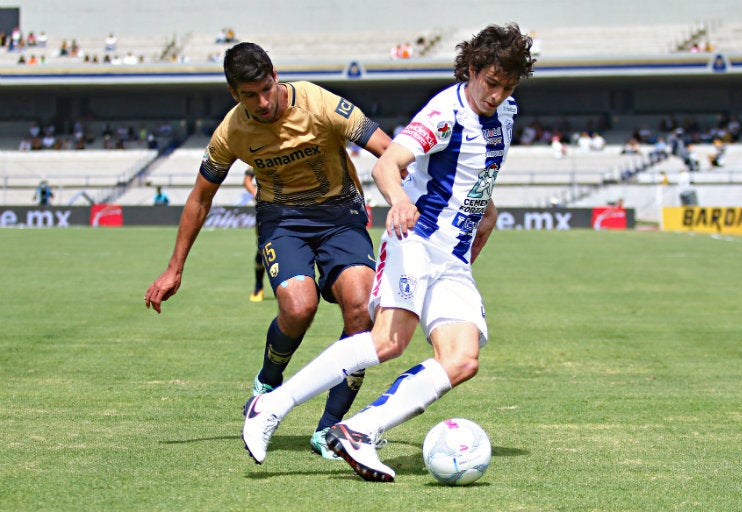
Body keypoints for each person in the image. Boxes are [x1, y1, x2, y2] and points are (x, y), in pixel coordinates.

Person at [241, 23, 535, 482]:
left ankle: (359, 431)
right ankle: (270, 406)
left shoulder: (507, 112)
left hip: (452, 257)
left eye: (507, 87)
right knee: (389, 342)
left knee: (462, 358)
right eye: (491, 83)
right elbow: (386, 164)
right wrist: (400, 199)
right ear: (472, 69)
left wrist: (485, 211)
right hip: (415, 238)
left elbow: (474, 173)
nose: (497, 95)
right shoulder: (445, 111)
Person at [144, 42, 392, 459]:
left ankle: (331, 429)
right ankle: (267, 383)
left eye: (266, 88)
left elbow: (387, 149)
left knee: (361, 310)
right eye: (249, 95)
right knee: (298, 307)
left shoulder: (320, 103)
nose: (262, 102)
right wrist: (174, 268)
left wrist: (407, 198)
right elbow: (200, 198)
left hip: (340, 215)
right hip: (283, 220)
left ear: (275, 75)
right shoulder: (231, 132)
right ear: (233, 93)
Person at [242, 167, 266, 302]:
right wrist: (255, 193)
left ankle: (285, 287)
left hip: (290, 209)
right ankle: (258, 286)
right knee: (262, 248)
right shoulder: (262, 153)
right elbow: (246, 180)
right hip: (266, 210)